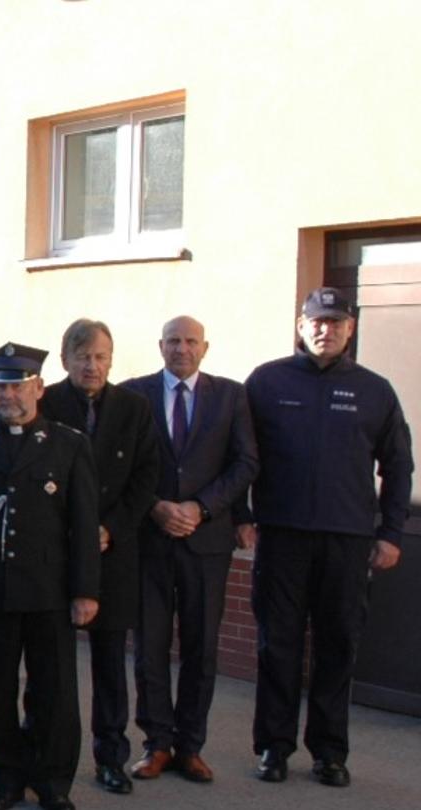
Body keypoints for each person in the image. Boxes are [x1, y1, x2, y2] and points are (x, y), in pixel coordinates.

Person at [245, 287, 411, 788]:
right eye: (317, 321)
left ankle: (330, 752)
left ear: (350, 329)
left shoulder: (375, 390)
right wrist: (240, 515)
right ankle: (273, 747)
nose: (326, 330)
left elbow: (398, 466)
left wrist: (390, 532)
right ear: (301, 326)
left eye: (336, 322)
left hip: (347, 541)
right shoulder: (266, 382)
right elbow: (239, 454)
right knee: (278, 646)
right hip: (282, 538)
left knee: (337, 647)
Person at [0, 342, 99, 810]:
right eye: (2, 386)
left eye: (18, 386)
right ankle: (7, 778)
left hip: (49, 590)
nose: (8, 395)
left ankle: (53, 781)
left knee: (55, 691)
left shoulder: (69, 445)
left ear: (39, 388)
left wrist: (85, 590)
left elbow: (83, 524)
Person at [119, 316, 258, 784]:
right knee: (150, 647)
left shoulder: (231, 396)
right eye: (173, 341)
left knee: (202, 648)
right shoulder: (133, 394)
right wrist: (155, 506)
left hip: (207, 541)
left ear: (205, 347)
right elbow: (122, 464)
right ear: (160, 346)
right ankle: (157, 744)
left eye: (190, 341)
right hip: (150, 539)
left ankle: (191, 746)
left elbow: (246, 462)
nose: (182, 348)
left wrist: (202, 507)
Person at [38, 319, 158, 795]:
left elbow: (146, 477)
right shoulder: (45, 403)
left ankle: (111, 758)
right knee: (50, 665)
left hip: (113, 552)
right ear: (65, 359)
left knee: (110, 665)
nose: (92, 365)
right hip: (56, 553)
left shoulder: (134, 407)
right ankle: (43, 755)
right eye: (83, 356)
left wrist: (110, 528)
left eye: (100, 357)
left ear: (111, 360)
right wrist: (73, 533)